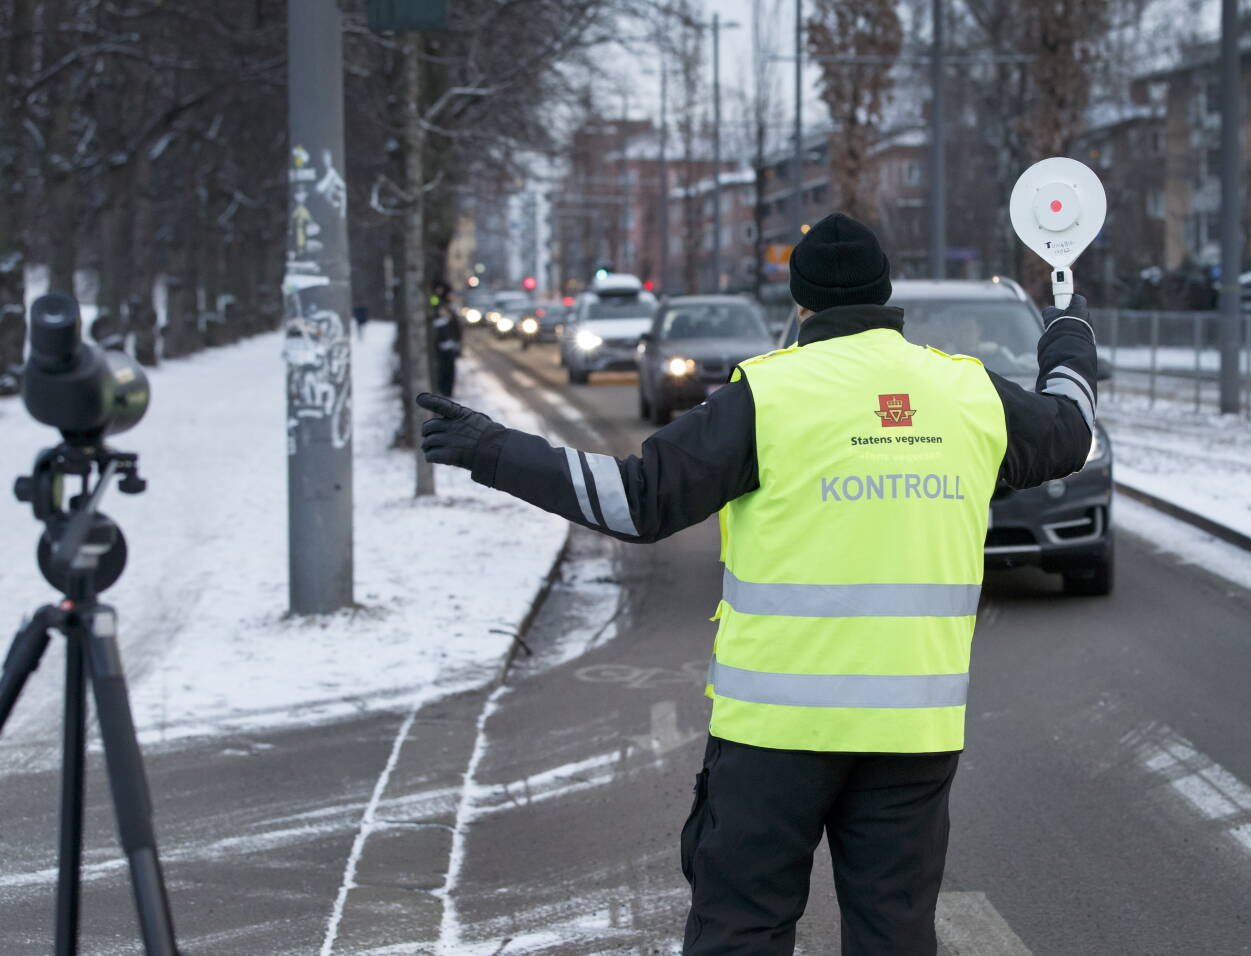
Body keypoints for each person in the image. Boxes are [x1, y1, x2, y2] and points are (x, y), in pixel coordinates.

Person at [416, 213, 1097, 955]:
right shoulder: (966, 393)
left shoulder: (766, 396)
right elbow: (1069, 428)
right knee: (894, 935)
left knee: (741, 930)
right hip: (912, 731)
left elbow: (637, 500)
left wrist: (494, 449)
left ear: (799, 304)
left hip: (777, 732)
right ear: (886, 294)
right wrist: (1068, 331)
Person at [431, 281, 462, 398]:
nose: (452, 295)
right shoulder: (439, 305)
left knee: (449, 370)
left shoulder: (448, 306)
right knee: (446, 370)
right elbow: (441, 325)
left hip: (450, 343)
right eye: (450, 293)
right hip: (444, 344)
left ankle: (447, 392)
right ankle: (445, 393)